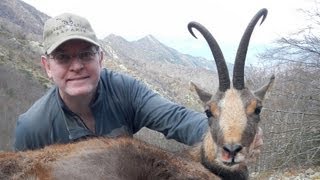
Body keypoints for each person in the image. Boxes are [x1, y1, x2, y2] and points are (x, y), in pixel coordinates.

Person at [14, 13, 262, 154]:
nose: (76, 65)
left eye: (86, 54)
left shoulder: (125, 90)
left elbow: (176, 118)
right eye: (63, 57)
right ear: (47, 66)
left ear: (100, 58)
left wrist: (229, 134)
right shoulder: (32, 128)